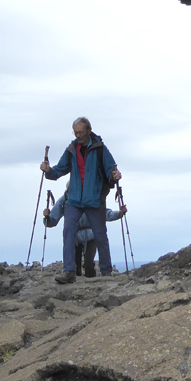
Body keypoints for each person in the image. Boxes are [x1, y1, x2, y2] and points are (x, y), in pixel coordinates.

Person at [40, 117, 122, 283]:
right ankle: (69, 271)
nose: (77, 135)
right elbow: (59, 170)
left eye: (80, 132)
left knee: (100, 234)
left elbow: (110, 170)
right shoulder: (71, 149)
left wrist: (114, 176)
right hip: (74, 199)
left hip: (94, 199)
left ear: (88, 131)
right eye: (75, 132)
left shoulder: (100, 149)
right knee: (68, 231)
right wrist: (48, 170)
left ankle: (106, 272)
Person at [44, 192, 125, 277]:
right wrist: (48, 218)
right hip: (78, 236)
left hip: (86, 236)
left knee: (88, 263)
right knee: (77, 263)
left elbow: (104, 213)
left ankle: (86, 281)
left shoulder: (69, 197)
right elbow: (104, 213)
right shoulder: (67, 198)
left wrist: (119, 214)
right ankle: (88, 282)